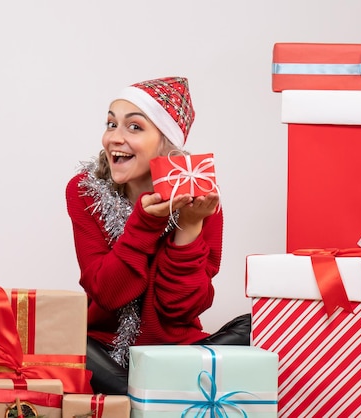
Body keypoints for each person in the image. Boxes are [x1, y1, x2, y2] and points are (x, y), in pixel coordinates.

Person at [65, 76, 250, 395]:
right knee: (61, 338)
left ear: (167, 143)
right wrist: (146, 223)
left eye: (134, 127)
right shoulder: (85, 193)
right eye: (111, 124)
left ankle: (147, 394)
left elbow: (180, 309)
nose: (114, 138)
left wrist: (190, 227)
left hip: (176, 352)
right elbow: (107, 293)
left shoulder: (202, 202)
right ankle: (165, 394)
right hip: (105, 354)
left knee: (260, 324)